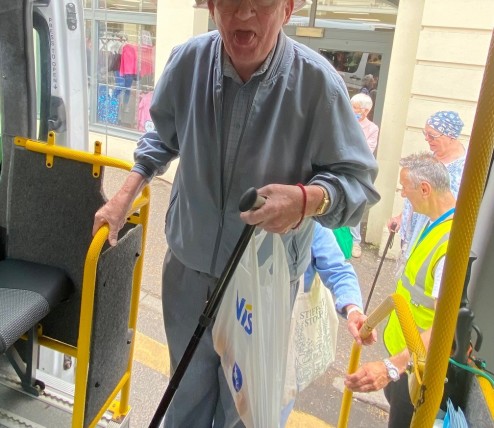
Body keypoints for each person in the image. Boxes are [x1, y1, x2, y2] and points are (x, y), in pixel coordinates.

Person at [92, 0, 380, 426]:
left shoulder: (318, 84)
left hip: (261, 288)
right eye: (230, 2)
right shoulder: (187, 61)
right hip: (188, 271)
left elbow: (358, 184)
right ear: (210, 6)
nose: (243, 15)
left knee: (244, 411)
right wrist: (123, 197)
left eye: (261, 4)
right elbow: (161, 136)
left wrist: (307, 199)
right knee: (184, 396)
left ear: (287, 8)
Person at [344, 152, 456, 428]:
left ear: (425, 189)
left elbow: (446, 325)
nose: (404, 194)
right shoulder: (437, 222)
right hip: (407, 358)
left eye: (405, 187)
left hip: (417, 370)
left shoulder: (451, 244)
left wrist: (391, 367)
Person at [280, 221, 377, 426]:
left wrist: (353, 309)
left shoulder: (309, 224)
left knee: (275, 408)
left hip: (284, 340)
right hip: (239, 327)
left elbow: (338, 270)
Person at [388, 111, 465, 260]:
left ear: (450, 137)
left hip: (434, 234)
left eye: (432, 135)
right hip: (412, 232)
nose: (427, 139)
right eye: (425, 133)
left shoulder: (466, 169)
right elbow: (415, 192)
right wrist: (401, 217)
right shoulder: (432, 157)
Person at [350, 93, 380, 258]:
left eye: (355, 107)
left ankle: (355, 242)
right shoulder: (344, 121)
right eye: (352, 106)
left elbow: (367, 151)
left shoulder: (372, 128)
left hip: (359, 173)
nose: (352, 110)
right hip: (344, 168)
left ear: (365, 111)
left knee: (356, 204)